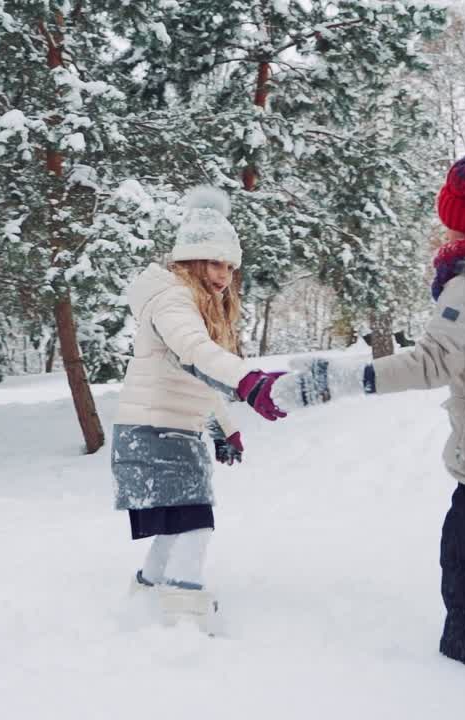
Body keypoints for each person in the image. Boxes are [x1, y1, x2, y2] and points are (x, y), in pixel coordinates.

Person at [274, 127, 465, 688]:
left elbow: (431, 363)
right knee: (462, 547)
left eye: (451, 213)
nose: (444, 223)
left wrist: (341, 379)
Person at [112, 186, 287, 631]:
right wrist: (248, 382)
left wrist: (222, 428)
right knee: (195, 519)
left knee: (176, 518)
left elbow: (193, 377)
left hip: (167, 427)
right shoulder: (173, 300)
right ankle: (185, 614)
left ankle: (148, 591)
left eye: (230, 265)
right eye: (214, 262)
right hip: (154, 429)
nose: (224, 274)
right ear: (189, 260)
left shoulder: (198, 303)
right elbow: (193, 352)